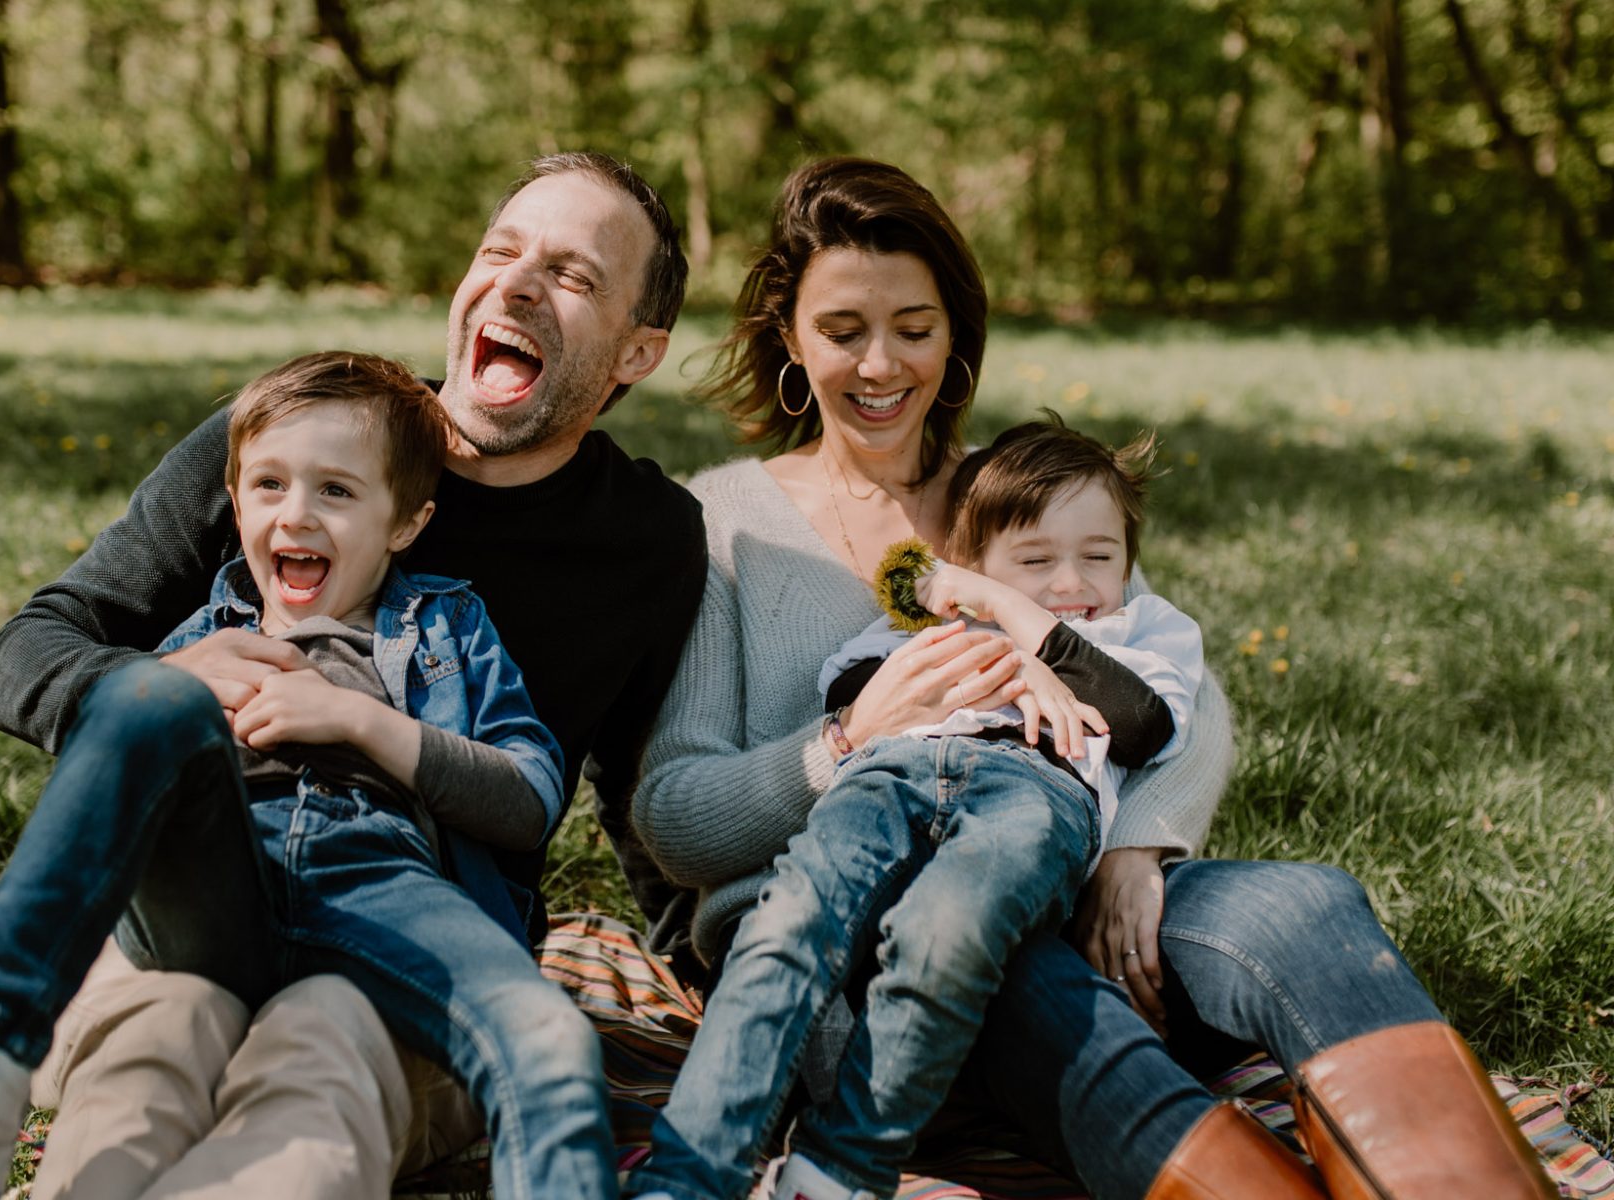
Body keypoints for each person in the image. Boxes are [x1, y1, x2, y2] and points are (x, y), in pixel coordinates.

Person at [0, 153, 708, 1200]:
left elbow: (632, 802)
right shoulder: (298, 438)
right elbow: (37, 643)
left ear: (637, 350)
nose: (518, 283)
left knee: (325, 1052)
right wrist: (173, 677)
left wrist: (710, 982)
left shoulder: (645, 540)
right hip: (200, 898)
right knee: (154, 1035)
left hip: (413, 934)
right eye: (499, 250)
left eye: (573, 275)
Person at [627, 155, 1557, 1200]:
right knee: (1025, 979)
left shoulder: (1018, 491)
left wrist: (1134, 852)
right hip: (859, 941)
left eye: (914, 328)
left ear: (954, 336)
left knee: (1303, 909)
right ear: (788, 337)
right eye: (843, 330)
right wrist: (840, 742)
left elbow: (1176, 694)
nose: (880, 364)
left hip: (1060, 862)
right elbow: (673, 819)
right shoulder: (726, 528)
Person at [631, 415, 1221, 1200]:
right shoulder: (927, 627)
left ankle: (840, 1169)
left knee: (946, 937)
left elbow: (1141, 723)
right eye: (1035, 561)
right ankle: (688, 1172)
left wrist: (1020, 628)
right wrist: (966, 626)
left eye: (1100, 558)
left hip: (1032, 792)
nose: (1073, 584)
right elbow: (851, 690)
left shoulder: (1142, 632)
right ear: (975, 565)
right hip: (890, 775)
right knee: (791, 926)